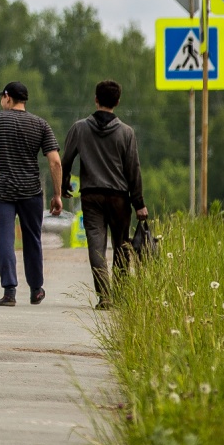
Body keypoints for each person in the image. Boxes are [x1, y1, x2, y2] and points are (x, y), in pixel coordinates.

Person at [0, 81, 61, 306]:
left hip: (2, 191)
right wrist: (57, 194)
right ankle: (36, 289)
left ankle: (9, 292)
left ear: (8, 98)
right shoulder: (40, 124)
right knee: (33, 240)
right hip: (31, 191)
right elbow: (55, 162)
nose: (1, 101)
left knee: (5, 240)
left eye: (2, 97)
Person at [59, 79, 148, 309]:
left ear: (95, 99)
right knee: (121, 245)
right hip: (119, 198)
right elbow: (133, 169)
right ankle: (121, 294)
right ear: (118, 102)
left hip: (91, 197)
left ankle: (104, 297)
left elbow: (65, 160)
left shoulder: (79, 128)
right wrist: (138, 203)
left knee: (96, 245)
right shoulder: (126, 133)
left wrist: (63, 185)